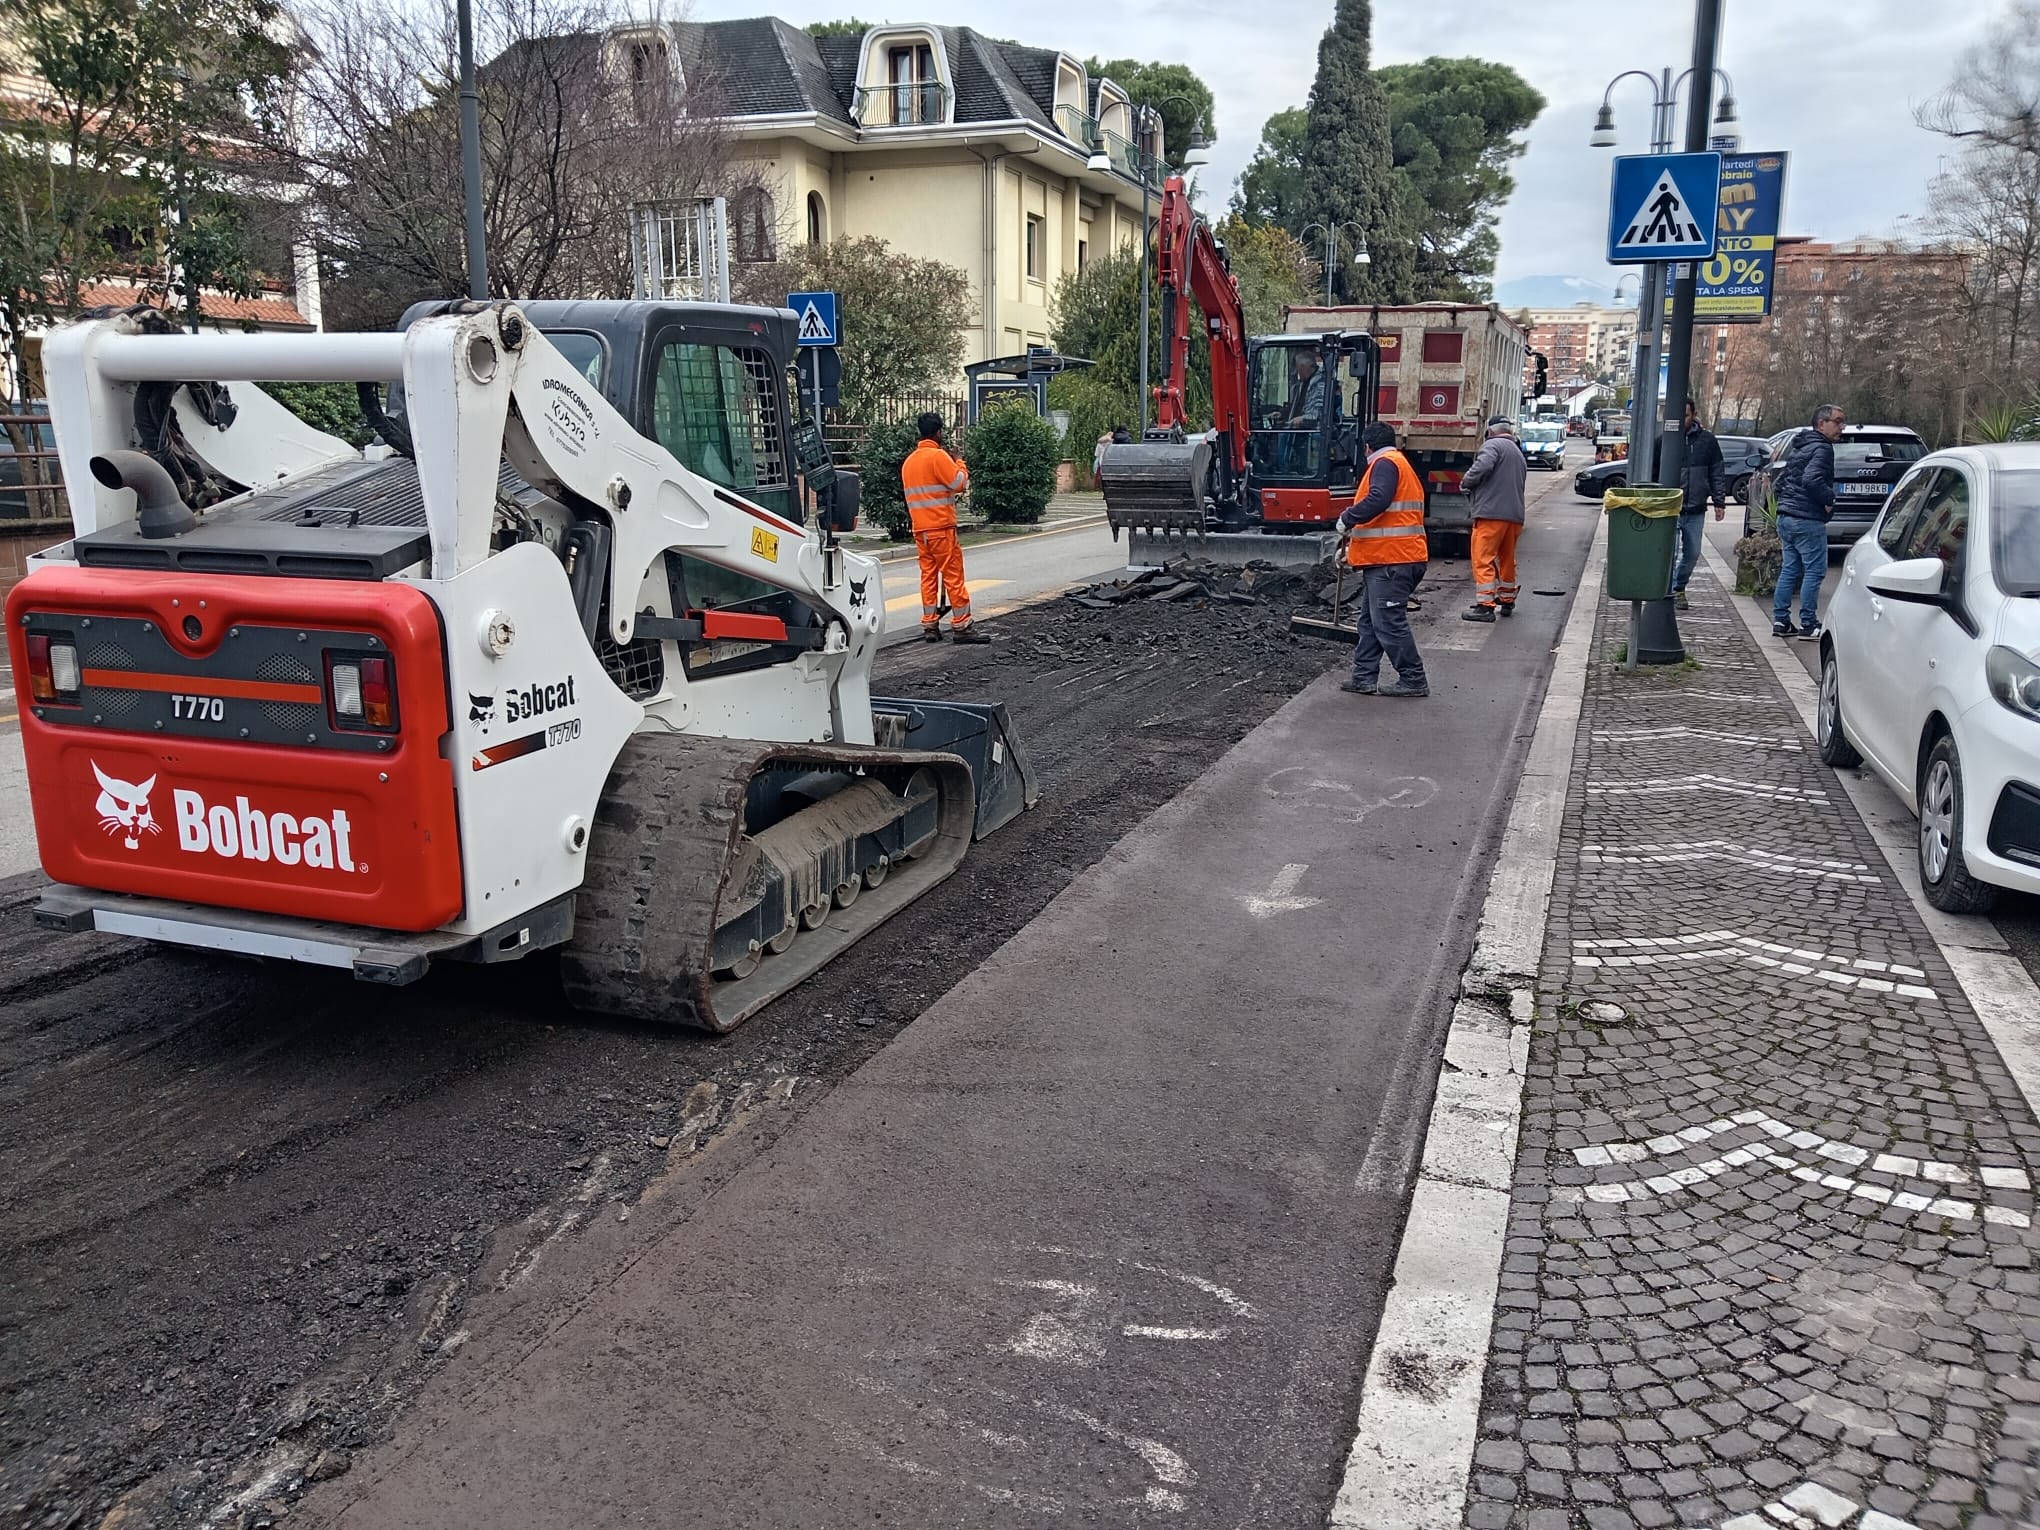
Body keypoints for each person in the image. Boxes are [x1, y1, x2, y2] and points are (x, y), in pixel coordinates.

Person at [1336, 421, 1430, 699]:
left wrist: (1347, 518)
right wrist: (1352, 548)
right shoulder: (1399, 462)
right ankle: (1363, 677)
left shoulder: (1384, 464)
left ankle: (1413, 678)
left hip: (1393, 560)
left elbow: (1379, 499)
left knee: (1388, 622)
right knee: (1370, 621)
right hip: (1392, 559)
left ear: (1367, 446)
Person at [901, 413, 989, 645]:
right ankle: (963, 625)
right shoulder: (938, 456)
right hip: (941, 527)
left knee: (928, 576)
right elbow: (958, 483)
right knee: (953, 576)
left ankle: (930, 623)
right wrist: (959, 461)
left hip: (920, 530)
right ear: (938, 432)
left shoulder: (909, 461)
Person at [1771, 403, 1845, 640]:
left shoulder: (1801, 445)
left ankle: (1781, 621)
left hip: (1786, 516)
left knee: (1790, 570)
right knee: (1814, 571)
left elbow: (1782, 481)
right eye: (1837, 421)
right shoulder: (1823, 449)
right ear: (1821, 424)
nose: (1842, 427)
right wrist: (1829, 499)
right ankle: (1808, 623)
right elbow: (1811, 480)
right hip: (1807, 518)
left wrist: (1785, 503)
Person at [1459, 415, 1527, 622]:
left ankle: (1485, 606)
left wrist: (1466, 483)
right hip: (1514, 516)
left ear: (1490, 431)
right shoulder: (1517, 452)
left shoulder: (1492, 446)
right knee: (1506, 558)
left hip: (1491, 514)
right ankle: (1506, 599)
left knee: (1483, 557)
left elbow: (1483, 466)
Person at [1670, 398, 1727, 609]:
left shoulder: (1707, 441)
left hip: (1695, 509)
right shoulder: (1664, 440)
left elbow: (1717, 472)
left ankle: (1679, 586)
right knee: (1669, 552)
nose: (1681, 419)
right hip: (1670, 508)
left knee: (1692, 553)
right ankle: (1668, 592)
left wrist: (1719, 501)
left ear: (1693, 415)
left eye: (1685, 415)